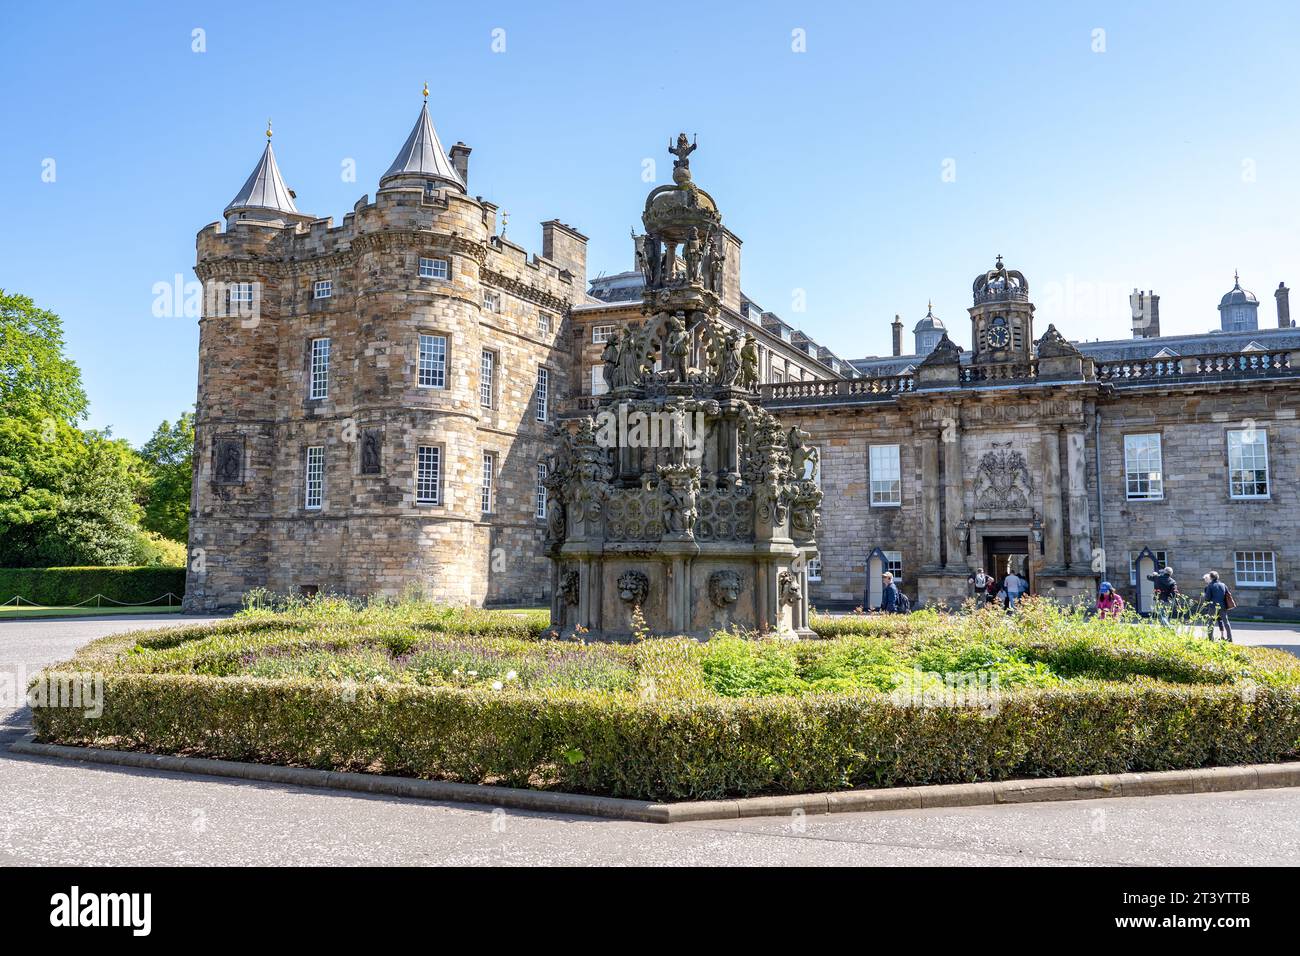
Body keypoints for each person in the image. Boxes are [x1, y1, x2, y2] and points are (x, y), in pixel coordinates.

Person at [1202, 571, 1234, 642]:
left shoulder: (1210, 585)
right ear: (1217, 577)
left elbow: (1207, 598)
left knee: (1210, 623)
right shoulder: (1223, 585)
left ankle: (1210, 639)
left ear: (1211, 577)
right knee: (1226, 622)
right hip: (1223, 606)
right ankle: (1230, 639)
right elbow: (1227, 595)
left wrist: (1205, 601)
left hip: (1213, 607)